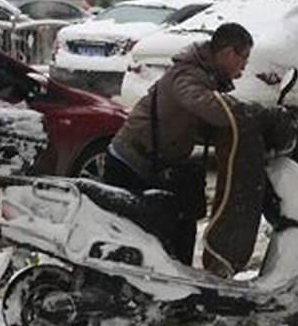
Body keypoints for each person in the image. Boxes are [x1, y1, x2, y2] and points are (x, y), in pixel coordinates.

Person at [105, 22, 254, 272]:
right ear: (229, 53)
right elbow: (212, 109)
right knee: (135, 238)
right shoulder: (187, 75)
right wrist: (253, 114)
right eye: (244, 58)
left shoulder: (204, 75)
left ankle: (174, 281)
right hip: (131, 164)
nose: (245, 66)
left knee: (181, 219)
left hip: (155, 161)